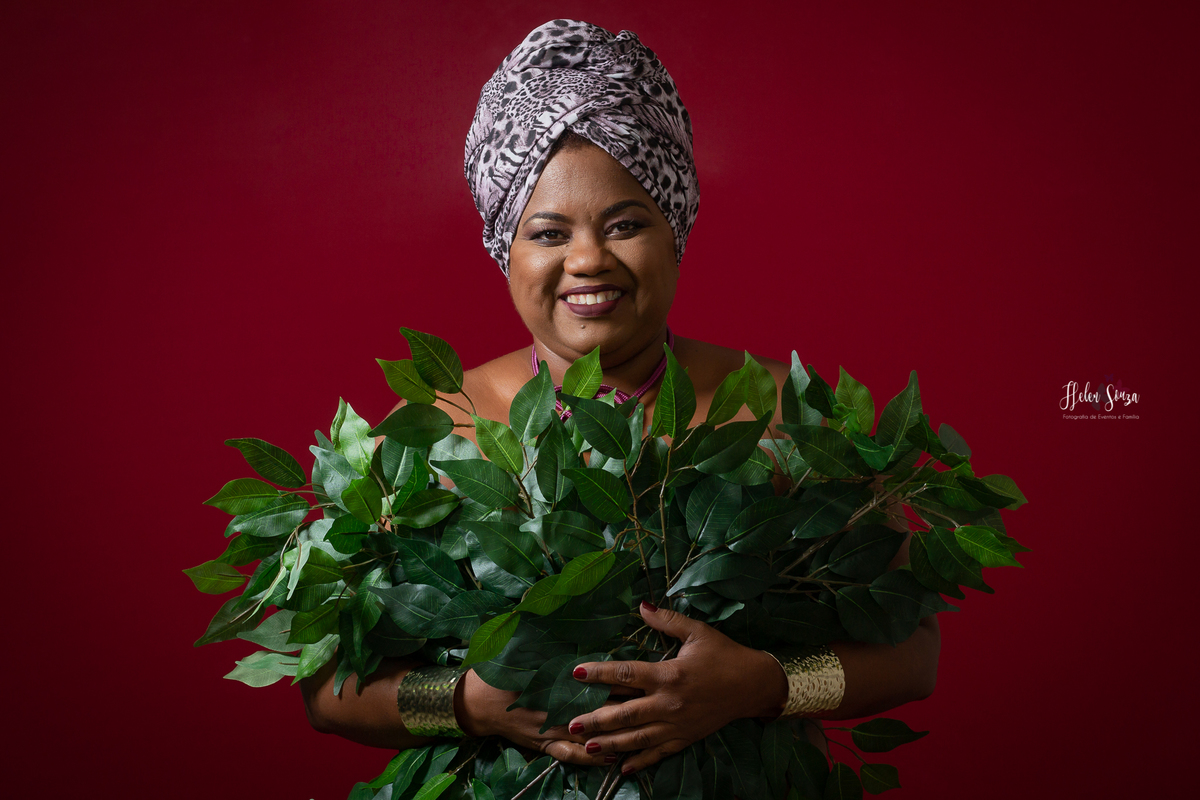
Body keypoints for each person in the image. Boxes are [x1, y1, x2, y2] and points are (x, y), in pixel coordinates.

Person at [301, 18, 939, 779]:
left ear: (676, 229)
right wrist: (468, 703)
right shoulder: (428, 434)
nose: (587, 260)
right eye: (547, 233)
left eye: (625, 224)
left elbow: (914, 653)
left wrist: (762, 685)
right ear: (505, 250)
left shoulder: (786, 412)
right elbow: (326, 690)